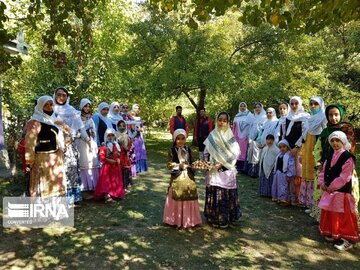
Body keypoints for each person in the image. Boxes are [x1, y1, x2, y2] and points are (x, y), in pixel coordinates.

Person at [311, 104, 357, 222]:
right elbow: (318, 147)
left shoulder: (347, 128)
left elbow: (349, 147)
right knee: (324, 189)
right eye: (330, 115)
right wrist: (319, 162)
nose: (333, 118)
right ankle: (325, 220)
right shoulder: (326, 130)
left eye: (336, 114)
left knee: (341, 194)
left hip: (343, 167)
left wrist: (339, 162)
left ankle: (342, 223)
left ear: (341, 114)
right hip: (325, 166)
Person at [318, 131, 358, 251]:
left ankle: (347, 239)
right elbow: (324, 171)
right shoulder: (330, 156)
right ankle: (333, 232)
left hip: (340, 191)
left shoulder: (348, 157)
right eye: (333, 141)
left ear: (343, 141)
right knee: (330, 212)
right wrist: (323, 183)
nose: (335, 143)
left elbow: (344, 176)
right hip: (330, 190)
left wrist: (332, 187)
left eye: (338, 140)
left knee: (342, 215)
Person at [204, 112, 241, 228]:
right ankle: (213, 217)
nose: (221, 123)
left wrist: (222, 163)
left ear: (228, 122)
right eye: (220, 120)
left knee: (224, 193)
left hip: (226, 170)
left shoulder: (230, 137)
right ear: (216, 121)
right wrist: (207, 162)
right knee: (214, 191)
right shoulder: (212, 135)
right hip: (213, 170)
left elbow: (235, 153)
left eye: (224, 120)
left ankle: (225, 218)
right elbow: (207, 151)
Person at [25, 96, 66, 198]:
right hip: (42, 159)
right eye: (46, 105)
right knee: (43, 183)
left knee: (55, 182)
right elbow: (30, 142)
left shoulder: (54, 120)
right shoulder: (34, 122)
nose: (49, 107)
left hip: (55, 158)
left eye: (51, 104)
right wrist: (29, 161)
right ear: (40, 106)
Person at [163, 128, 202, 229]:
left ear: (185, 139)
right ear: (175, 139)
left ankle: (189, 219)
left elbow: (191, 161)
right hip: (177, 177)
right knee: (177, 193)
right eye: (178, 138)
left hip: (188, 177)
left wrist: (195, 165)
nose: (180, 141)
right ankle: (176, 220)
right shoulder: (171, 150)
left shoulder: (188, 149)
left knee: (190, 192)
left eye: (183, 138)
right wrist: (179, 166)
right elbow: (169, 165)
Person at [53, 87, 84, 204]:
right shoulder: (50, 110)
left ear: (67, 97)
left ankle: (72, 197)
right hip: (54, 147)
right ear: (55, 96)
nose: (61, 97)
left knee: (71, 169)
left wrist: (70, 138)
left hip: (70, 145)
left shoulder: (72, 111)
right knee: (57, 171)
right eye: (59, 95)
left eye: (64, 95)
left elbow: (80, 129)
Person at [299, 97, 327, 210]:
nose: (313, 106)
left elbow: (324, 134)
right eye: (311, 104)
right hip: (307, 147)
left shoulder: (323, 118)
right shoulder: (308, 118)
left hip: (316, 147)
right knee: (306, 172)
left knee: (315, 173)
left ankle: (314, 204)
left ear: (320, 105)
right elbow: (303, 136)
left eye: (316, 104)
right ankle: (305, 201)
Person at [280, 96, 309, 204]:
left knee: (298, 172)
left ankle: (299, 198)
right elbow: (284, 134)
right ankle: (289, 196)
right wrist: (285, 146)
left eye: (296, 103)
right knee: (288, 172)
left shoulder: (305, 117)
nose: (294, 106)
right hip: (288, 148)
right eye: (292, 104)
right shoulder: (287, 117)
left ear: (300, 104)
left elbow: (304, 134)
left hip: (299, 149)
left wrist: (297, 147)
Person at [76, 98, 100, 198]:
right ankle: (84, 188)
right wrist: (85, 137)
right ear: (81, 106)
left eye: (89, 106)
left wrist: (92, 135)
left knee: (92, 163)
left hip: (91, 143)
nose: (87, 108)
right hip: (81, 142)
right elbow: (77, 129)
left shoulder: (91, 118)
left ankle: (93, 186)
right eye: (85, 106)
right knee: (83, 163)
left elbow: (94, 130)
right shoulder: (77, 117)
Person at [94, 128, 125, 203]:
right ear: (106, 136)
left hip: (115, 166)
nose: (111, 137)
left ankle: (115, 193)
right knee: (106, 181)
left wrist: (119, 159)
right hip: (107, 167)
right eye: (109, 136)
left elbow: (119, 154)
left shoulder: (116, 145)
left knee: (115, 180)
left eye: (112, 135)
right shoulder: (104, 146)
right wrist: (108, 160)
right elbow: (101, 157)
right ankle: (107, 196)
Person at [271, 139, 296, 205]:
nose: (282, 148)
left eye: (284, 147)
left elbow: (291, 165)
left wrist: (289, 174)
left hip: (285, 174)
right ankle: (278, 198)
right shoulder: (279, 155)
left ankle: (285, 199)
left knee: (284, 187)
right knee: (277, 186)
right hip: (278, 174)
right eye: (280, 147)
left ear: (287, 147)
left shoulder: (289, 155)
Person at [246, 102, 267, 177]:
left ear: (261, 108)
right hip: (252, 138)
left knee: (257, 155)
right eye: (256, 107)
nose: (257, 109)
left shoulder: (264, 117)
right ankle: (250, 171)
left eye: (259, 107)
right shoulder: (254, 116)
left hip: (259, 138)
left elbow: (263, 128)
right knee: (251, 153)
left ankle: (256, 172)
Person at [232, 102, 254, 172]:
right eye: (241, 106)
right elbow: (234, 127)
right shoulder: (237, 116)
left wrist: (250, 135)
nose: (242, 107)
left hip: (246, 136)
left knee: (244, 151)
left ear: (246, 107)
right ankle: (237, 166)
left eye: (244, 106)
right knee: (237, 151)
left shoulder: (249, 115)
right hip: (237, 136)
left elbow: (252, 125)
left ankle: (244, 168)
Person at [116, 120, 133, 192]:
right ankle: (118, 186)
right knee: (119, 171)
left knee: (125, 171)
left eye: (123, 126)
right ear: (117, 126)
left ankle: (125, 186)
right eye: (120, 126)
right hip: (118, 155)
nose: (122, 127)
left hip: (125, 156)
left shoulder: (127, 136)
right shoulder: (115, 135)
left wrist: (127, 149)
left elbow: (129, 146)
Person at [131, 104, 148, 173]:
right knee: (136, 152)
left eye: (138, 108)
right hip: (134, 137)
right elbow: (131, 128)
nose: (137, 110)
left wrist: (142, 129)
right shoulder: (130, 118)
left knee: (141, 151)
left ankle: (142, 167)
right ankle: (136, 168)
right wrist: (138, 129)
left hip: (140, 137)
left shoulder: (139, 118)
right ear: (132, 109)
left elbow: (141, 126)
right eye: (135, 108)